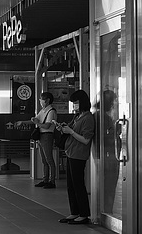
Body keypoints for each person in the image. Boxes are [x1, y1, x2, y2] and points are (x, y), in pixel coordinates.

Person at [56, 90, 95, 224]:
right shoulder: (78, 116)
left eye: (76, 103)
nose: (75, 106)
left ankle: (84, 214)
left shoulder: (88, 118)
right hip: (71, 152)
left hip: (79, 154)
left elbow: (86, 139)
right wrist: (63, 129)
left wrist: (71, 132)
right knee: (71, 185)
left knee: (78, 184)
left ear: (83, 102)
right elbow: (72, 131)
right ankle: (75, 212)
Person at [15, 92, 57, 188]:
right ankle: (45, 179)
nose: (40, 101)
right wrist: (23, 122)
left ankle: (52, 181)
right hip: (41, 136)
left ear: (47, 100)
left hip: (47, 135)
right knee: (44, 160)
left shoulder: (51, 111)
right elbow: (35, 120)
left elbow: (46, 126)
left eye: (42, 99)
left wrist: (37, 123)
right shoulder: (43, 111)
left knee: (49, 159)